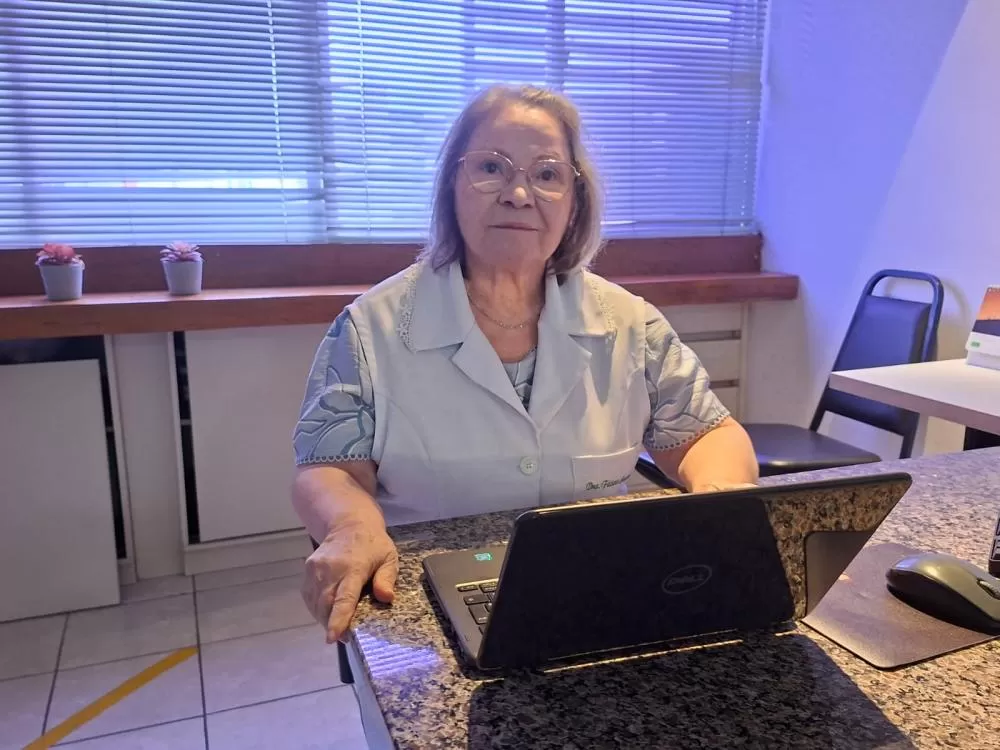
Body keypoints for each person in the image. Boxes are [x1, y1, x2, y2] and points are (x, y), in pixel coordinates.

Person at [291, 84, 758, 644]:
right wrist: (350, 524)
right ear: (452, 185)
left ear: (573, 201)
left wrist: (719, 499)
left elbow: (708, 433)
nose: (518, 193)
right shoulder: (370, 329)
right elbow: (330, 469)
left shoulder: (631, 324)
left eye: (547, 174)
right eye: (491, 167)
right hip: (427, 597)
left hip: (603, 588)